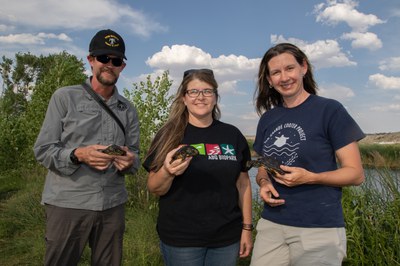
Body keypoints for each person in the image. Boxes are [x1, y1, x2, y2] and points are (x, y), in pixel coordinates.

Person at [250, 43, 365, 266]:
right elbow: (263, 166)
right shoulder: (268, 119)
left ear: (303, 68)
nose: (284, 77)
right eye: (276, 72)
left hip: (318, 228)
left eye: (290, 68)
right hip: (272, 224)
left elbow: (356, 174)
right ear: (269, 80)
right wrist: (263, 182)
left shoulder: (330, 110)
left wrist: (310, 177)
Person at [33, 29, 140, 266]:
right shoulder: (64, 97)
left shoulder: (128, 109)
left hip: (113, 205)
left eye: (116, 61)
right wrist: (77, 154)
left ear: (122, 66)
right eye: (103, 58)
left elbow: (136, 155)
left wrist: (129, 162)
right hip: (68, 204)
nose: (109, 65)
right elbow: (43, 149)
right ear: (90, 60)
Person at [143, 68, 253, 266]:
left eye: (207, 91)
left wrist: (246, 228)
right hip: (182, 240)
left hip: (226, 238)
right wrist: (168, 172)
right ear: (184, 98)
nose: (200, 97)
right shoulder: (168, 135)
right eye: (193, 91)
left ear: (215, 97)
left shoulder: (232, 135)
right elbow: (154, 188)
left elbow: (243, 184)